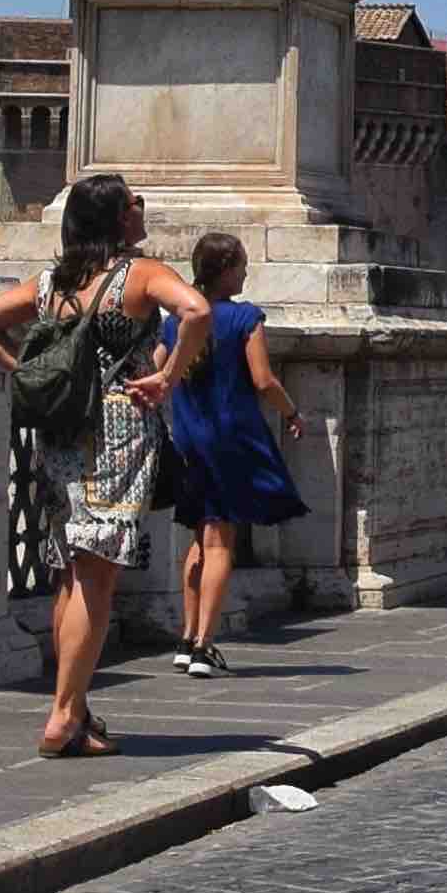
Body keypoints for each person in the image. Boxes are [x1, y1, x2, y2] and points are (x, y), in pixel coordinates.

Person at [0, 174, 216, 761]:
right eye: (133, 203)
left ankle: (73, 711)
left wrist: (22, 371)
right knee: (96, 577)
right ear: (118, 220)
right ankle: (62, 713)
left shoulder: (51, 283)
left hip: (58, 431)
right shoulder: (141, 274)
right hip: (119, 428)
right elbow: (197, 310)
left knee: (70, 571)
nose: (141, 208)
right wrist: (168, 375)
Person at [160, 230, 308, 673]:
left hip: (188, 435)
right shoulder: (245, 318)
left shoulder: (176, 320)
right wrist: (292, 413)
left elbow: (159, 367)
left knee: (197, 537)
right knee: (221, 540)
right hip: (230, 436)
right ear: (225, 271)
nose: (245, 272)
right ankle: (205, 643)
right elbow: (263, 380)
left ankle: (185, 640)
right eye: (241, 265)